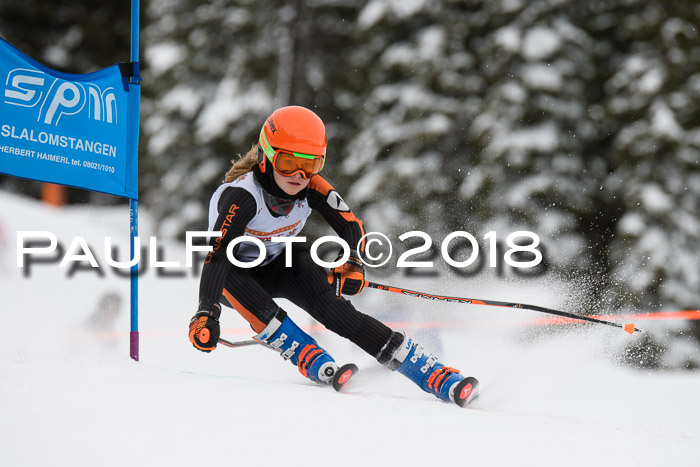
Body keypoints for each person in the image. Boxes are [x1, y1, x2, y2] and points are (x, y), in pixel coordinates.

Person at [189, 106, 475, 406]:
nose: (299, 175)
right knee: (251, 296)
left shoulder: (312, 187)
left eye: (310, 164)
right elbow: (217, 255)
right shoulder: (243, 196)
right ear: (267, 155)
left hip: (280, 262)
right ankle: (305, 353)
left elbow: (351, 225)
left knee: (339, 315)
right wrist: (207, 312)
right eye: (288, 162)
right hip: (230, 273)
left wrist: (353, 262)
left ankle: (431, 373)